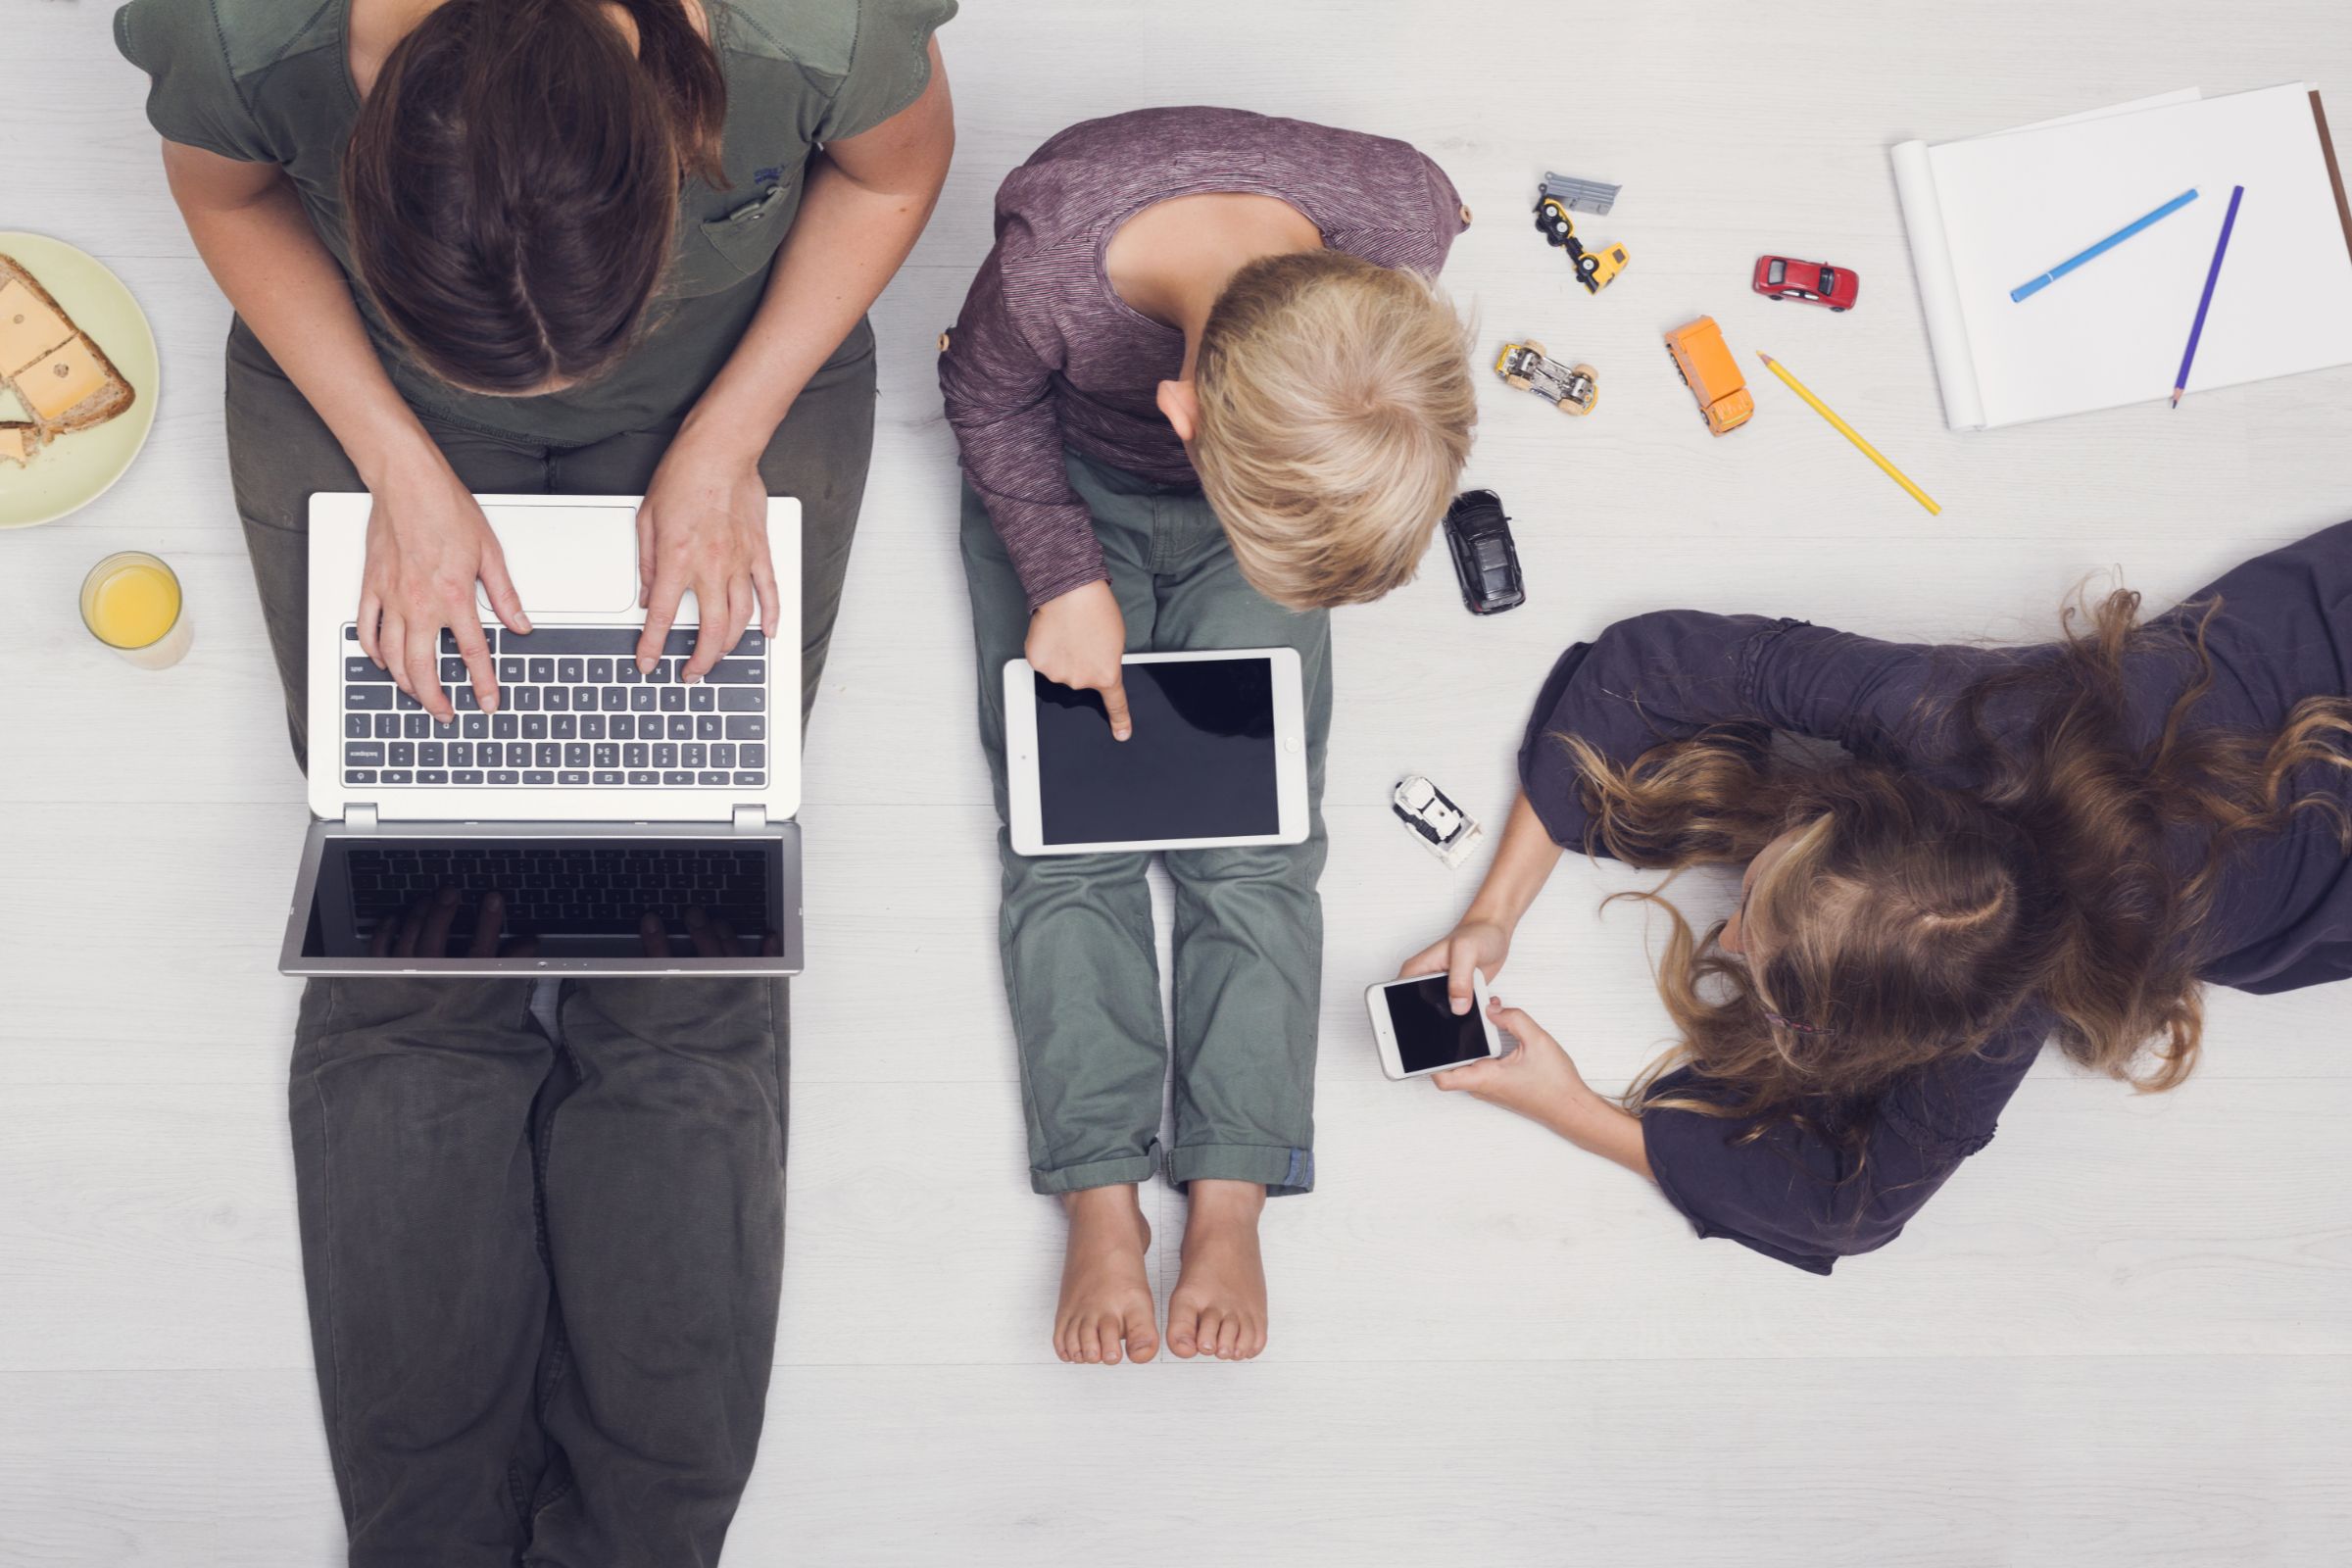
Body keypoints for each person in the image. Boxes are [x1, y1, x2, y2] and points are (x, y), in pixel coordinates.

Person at [116, 0, 954, 1558]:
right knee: (421, 958)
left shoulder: (811, 30)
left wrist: (725, 435)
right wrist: (399, 458)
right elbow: (224, 192)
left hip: (737, 386)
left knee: (686, 958)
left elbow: (896, 178)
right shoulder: (242, 34)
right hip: (377, 401)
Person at [1403, 524, 2352, 1274]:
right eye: (1763, 893)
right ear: (1854, 804)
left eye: (1765, 967)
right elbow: (1657, 663)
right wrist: (1495, 910)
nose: (1725, 929)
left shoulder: (2010, 1007)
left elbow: (1848, 1207)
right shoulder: (1952, 713)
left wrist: (1566, 1106)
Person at [939, 105, 1477, 1365]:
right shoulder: (1049, 264)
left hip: (1276, 484)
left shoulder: (1403, 213)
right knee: (1068, 849)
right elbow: (984, 405)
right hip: (1064, 485)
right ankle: (1101, 1196)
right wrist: (1066, 579)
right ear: (1180, 412)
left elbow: (1445, 205)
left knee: (1260, 845)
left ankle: (1231, 1190)